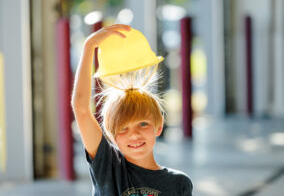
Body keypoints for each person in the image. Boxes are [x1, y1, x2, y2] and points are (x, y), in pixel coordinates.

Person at [71, 24, 193, 196]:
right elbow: (81, 109)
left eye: (143, 124)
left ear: (159, 126)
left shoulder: (179, 183)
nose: (134, 134)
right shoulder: (108, 168)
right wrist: (88, 46)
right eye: (123, 128)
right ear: (112, 136)